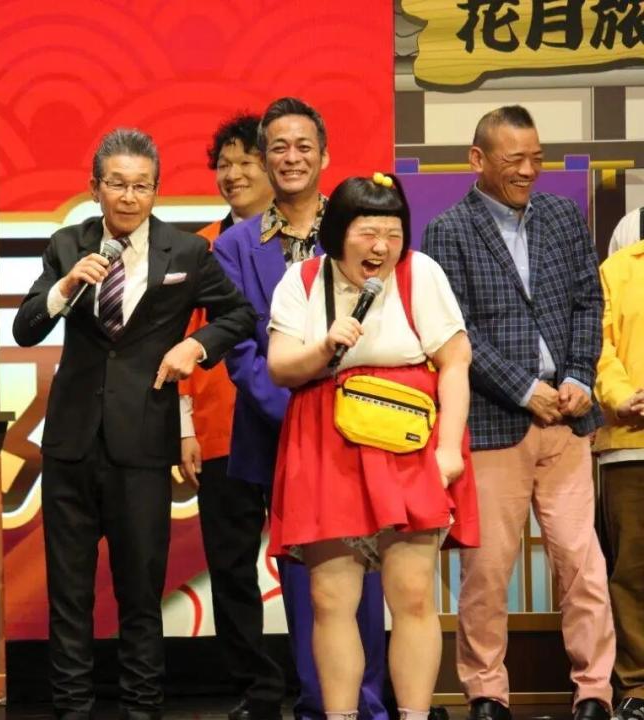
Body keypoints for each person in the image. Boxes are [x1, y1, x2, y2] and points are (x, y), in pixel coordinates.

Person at [12, 128, 255, 720]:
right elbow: (25, 328)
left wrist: (195, 346)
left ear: (155, 190)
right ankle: (72, 709)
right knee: (69, 594)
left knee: (140, 593)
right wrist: (66, 287)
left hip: (143, 443)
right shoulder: (67, 244)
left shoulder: (186, 252)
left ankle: (142, 709)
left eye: (141, 186)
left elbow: (239, 314)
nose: (129, 196)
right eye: (117, 184)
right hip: (71, 444)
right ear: (95, 186)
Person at [423, 104, 615, 720]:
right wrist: (524, 388)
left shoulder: (562, 215)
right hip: (493, 424)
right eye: (515, 160)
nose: (529, 170)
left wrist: (579, 374)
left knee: (582, 563)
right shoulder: (448, 231)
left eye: (537, 158)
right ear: (477, 159)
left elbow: (589, 302)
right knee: (486, 571)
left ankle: (594, 692)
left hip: (568, 422)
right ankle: (486, 692)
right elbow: (456, 331)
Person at [267, 173, 478, 720]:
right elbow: (281, 367)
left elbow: (455, 361)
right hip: (325, 444)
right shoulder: (301, 280)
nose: (382, 247)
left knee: (412, 594)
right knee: (330, 600)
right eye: (368, 233)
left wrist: (448, 450)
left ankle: (413, 715)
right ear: (338, 233)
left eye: (393, 233)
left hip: (407, 443)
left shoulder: (420, 273)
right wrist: (324, 347)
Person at [213, 98, 388, 720]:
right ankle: (320, 705)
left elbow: (385, 322)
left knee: (365, 572)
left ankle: (370, 706)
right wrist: (295, 415)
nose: (291, 158)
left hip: (360, 430)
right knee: (303, 578)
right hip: (279, 434)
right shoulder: (233, 246)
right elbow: (240, 350)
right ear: (265, 159)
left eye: (303, 146)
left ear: (325, 156)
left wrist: (349, 411)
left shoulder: (359, 228)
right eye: (279, 148)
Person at [176, 111, 283, 720]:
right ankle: (256, 687)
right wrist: (184, 427)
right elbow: (183, 340)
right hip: (221, 429)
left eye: (247, 161)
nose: (234, 173)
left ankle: (323, 677)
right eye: (224, 163)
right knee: (231, 564)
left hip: (294, 423)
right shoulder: (200, 248)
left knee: (310, 556)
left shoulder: (304, 241)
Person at [594, 238, 644, 720]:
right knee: (631, 573)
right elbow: (599, 347)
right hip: (632, 442)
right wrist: (622, 396)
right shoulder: (618, 268)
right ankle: (637, 686)